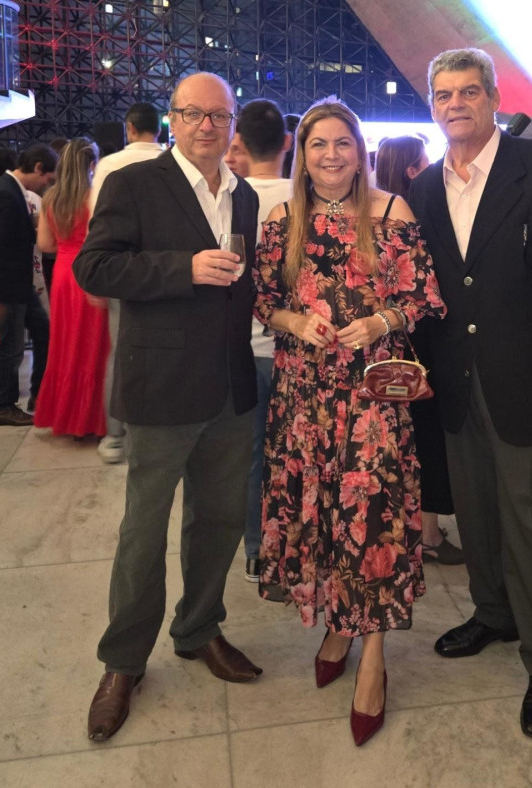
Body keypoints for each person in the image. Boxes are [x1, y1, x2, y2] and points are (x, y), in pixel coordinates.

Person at [407, 48, 532, 740]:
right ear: (432, 107)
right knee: (478, 513)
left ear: (493, 98)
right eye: (443, 95)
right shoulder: (427, 188)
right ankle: (493, 613)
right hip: (457, 384)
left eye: (468, 91)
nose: (455, 103)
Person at [73, 72, 261, 743]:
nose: (209, 127)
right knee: (142, 533)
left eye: (220, 116)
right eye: (194, 114)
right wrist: (180, 268)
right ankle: (123, 662)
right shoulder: (133, 182)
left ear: (233, 124)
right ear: (173, 120)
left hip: (230, 389)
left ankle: (199, 629)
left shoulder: (241, 197)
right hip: (161, 389)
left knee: (217, 521)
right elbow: (92, 268)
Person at [254, 97, 446, 746]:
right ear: (300, 155)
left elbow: (423, 296)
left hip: (370, 403)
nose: (331, 155)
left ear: (360, 150)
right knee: (325, 519)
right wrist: (295, 321)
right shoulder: (283, 219)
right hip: (304, 397)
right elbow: (265, 302)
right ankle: (340, 622)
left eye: (342, 143)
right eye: (317, 145)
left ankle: (373, 659)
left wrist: (381, 321)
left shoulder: (392, 212)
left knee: (372, 521)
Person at [374, 135, 463, 565]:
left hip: (389, 346)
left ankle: (413, 529)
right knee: (425, 436)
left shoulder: (377, 212)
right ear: (412, 170)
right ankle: (426, 531)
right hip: (419, 341)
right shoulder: (412, 213)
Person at [235, 98, 293, 583]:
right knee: (300, 454)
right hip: (298, 351)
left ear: (238, 141)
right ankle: (298, 544)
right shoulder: (307, 197)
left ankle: (256, 549)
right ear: (290, 143)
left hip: (245, 350)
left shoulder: (229, 197)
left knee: (253, 453)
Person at [89, 101, 164, 463]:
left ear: (129, 128)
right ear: (160, 129)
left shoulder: (109, 164)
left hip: (122, 275)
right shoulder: (174, 162)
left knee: (121, 353)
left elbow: (96, 226)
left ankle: (115, 436)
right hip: (169, 273)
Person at [0, 144, 58, 426]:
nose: (47, 185)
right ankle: (4, 406)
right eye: (48, 178)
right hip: (7, 285)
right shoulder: (5, 192)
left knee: (43, 332)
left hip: (18, 283)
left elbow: (10, 238)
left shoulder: (7, 188)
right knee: (12, 348)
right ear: (37, 168)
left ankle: (40, 394)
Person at [33, 137, 109, 436]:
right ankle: (92, 420)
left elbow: (45, 244)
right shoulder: (97, 197)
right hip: (92, 274)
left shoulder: (51, 198)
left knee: (64, 346)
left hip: (64, 276)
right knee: (94, 346)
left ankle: (65, 417)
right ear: (92, 164)